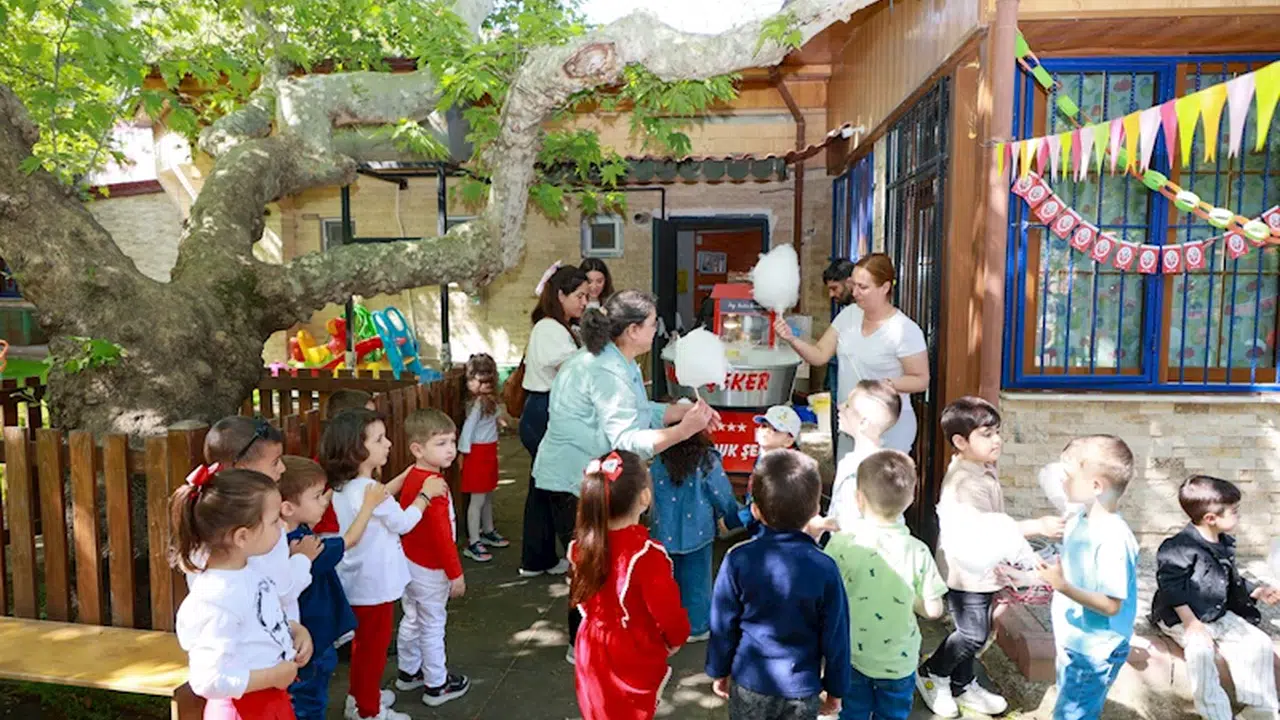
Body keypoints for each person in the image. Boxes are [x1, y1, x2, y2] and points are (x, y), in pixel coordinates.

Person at [533, 289, 717, 663]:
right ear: (632, 330)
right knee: (588, 568)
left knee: (594, 563)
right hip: (573, 480)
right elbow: (627, 439)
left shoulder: (619, 361)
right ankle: (583, 648)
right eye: (651, 324)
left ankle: (594, 643)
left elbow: (637, 410)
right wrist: (683, 431)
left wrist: (679, 412)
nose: (655, 331)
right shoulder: (605, 369)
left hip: (588, 475)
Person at [918, 396, 1064, 717]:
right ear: (960, 441)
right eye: (986, 434)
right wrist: (1037, 526)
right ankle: (933, 673)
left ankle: (962, 682)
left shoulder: (980, 468)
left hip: (983, 567)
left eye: (997, 432)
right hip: (966, 571)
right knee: (973, 634)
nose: (996, 440)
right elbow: (984, 529)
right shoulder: (964, 482)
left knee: (978, 628)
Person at [706, 450, 850, 720]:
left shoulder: (738, 558)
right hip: (802, 686)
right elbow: (837, 637)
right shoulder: (825, 567)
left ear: (755, 511)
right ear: (815, 511)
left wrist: (718, 669)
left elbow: (722, 622)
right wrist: (836, 689)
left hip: (749, 681)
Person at [172, 467, 313, 719]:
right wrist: (273, 676)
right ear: (242, 536)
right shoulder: (216, 599)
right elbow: (207, 680)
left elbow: (258, 622)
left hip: (270, 703)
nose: (282, 526)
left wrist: (294, 630)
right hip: (243, 710)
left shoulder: (249, 572)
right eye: (274, 521)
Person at [320, 409, 432, 720]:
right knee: (372, 651)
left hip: (357, 580)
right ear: (357, 448)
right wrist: (425, 496)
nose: (389, 443)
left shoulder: (345, 486)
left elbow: (381, 498)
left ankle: (359, 696)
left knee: (364, 647)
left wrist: (404, 477)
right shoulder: (368, 491)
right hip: (376, 585)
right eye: (379, 439)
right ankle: (368, 711)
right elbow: (403, 522)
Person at [824, 450, 947, 720]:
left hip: (851, 653)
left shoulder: (842, 543)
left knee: (852, 712)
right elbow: (934, 610)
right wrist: (911, 598)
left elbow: (824, 592)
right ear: (911, 498)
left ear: (858, 498)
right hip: (898, 660)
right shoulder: (918, 551)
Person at [773, 253, 929, 463]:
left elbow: (920, 380)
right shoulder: (848, 315)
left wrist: (883, 385)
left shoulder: (904, 330)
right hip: (850, 424)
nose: (855, 293)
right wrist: (791, 339)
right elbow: (819, 355)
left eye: (863, 287)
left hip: (888, 428)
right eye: (853, 285)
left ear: (885, 287)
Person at [569, 451, 690, 720]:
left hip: (590, 645)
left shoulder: (580, 546)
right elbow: (668, 612)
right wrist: (676, 639)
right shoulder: (647, 554)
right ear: (644, 498)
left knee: (597, 708)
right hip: (629, 651)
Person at [1151, 476, 1280, 720]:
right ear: (1211, 518)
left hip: (1215, 613)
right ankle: (1215, 714)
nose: (1238, 515)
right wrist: (1191, 623)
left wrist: (1257, 591)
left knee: (1259, 643)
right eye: (1234, 511)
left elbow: (1228, 579)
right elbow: (1170, 588)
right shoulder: (1177, 548)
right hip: (1183, 616)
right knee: (1200, 653)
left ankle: (1259, 710)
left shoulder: (1223, 543)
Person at [1035, 435, 1140, 720]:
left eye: (1068, 475)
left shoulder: (1112, 539)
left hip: (1095, 651)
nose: (1061, 481)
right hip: (1074, 638)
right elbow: (1072, 573)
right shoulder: (1079, 520)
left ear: (1096, 486)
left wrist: (1063, 586)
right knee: (1069, 705)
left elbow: (1111, 605)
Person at [278, 457, 385, 720]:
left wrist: (323, 496)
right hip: (314, 639)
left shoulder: (289, 535)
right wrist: (368, 506)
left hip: (309, 636)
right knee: (311, 702)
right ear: (288, 508)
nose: (323, 503)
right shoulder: (307, 548)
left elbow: (313, 515)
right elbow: (350, 539)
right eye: (316, 497)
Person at [199, 416, 319, 623]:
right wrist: (302, 559)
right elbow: (283, 591)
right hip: (269, 633)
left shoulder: (208, 514)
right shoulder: (261, 526)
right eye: (275, 462)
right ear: (243, 468)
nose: (282, 468)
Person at [392, 409, 471, 706]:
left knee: (412, 617)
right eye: (441, 443)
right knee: (433, 624)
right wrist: (455, 573)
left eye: (452, 441)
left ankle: (408, 671)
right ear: (417, 449)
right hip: (431, 567)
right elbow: (442, 536)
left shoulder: (414, 476)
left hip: (409, 561)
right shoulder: (434, 486)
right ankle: (437, 684)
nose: (450, 449)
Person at [519, 265, 590, 577]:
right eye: (579, 296)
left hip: (546, 409)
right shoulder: (549, 328)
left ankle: (538, 558)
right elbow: (573, 372)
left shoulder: (560, 327)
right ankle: (567, 556)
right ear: (560, 295)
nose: (584, 302)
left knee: (542, 487)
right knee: (556, 488)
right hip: (544, 409)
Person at [649, 431, 743, 642]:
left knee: (666, 582)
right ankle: (697, 627)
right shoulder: (707, 459)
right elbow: (721, 493)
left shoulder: (658, 459)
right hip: (698, 531)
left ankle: (667, 627)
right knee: (698, 582)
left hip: (662, 531)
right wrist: (731, 517)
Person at [824, 380, 901, 530]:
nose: (840, 407)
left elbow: (847, 520)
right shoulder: (886, 464)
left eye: (848, 406)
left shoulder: (860, 469)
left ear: (864, 423)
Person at [459, 353, 507, 562]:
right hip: (477, 453)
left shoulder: (488, 402)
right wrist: (463, 453)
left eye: (489, 381)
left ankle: (487, 530)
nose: (486, 385)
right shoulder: (478, 404)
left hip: (488, 451)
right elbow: (468, 429)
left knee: (487, 495)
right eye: (481, 381)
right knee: (478, 499)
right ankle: (474, 540)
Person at [737, 405, 801, 529]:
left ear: (788, 441)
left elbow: (764, 506)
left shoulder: (781, 469)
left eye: (775, 430)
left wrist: (732, 522)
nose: (767, 431)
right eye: (764, 426)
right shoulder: (762, 457)